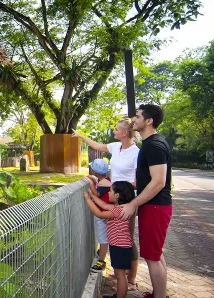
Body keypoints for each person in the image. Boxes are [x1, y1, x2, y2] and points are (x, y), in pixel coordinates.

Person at [72, 118, 140, 291]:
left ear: (124, 133)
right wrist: (80, 136)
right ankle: (121, 272)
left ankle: (130, 279)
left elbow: (138, 182)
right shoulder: (115, 147)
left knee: (127, 239)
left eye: (116, 129)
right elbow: (96, 145)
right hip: (113, 199)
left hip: (126, 201)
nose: (114, 132)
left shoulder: (136, 153)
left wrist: (113, 185)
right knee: (117, 237)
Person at [120, 104, 172, 298]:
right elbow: (148, 180)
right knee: (156, 254)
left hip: (155, 206)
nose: (134, 119)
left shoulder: (154, 145)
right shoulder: (152, 143)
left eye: (138, 116)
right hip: (154, 205)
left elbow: (158, 182)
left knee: (152, 257)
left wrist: (133, 204)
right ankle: (160, 293)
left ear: (149, 121)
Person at [83, 181, 136, 298]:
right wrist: (92, 196)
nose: (108, 193)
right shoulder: (119, 208)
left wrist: (87, 200)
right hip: (121, 246)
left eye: (111, 191)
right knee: (120, 274)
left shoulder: (117, 211)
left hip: (119, 246)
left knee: (120, 275)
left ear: (117, 195)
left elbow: (100, 214)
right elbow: (104, 205)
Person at [85, 159, 111, 273]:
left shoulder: (103, 184)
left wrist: (90, 183)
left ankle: (101, 261)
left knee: (103, 239)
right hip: (103, 213)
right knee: (103, 237)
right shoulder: (106, 181)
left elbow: (97, 194)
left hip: (102, 215)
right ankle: (101, 254)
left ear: (95, 172)